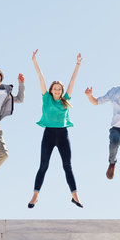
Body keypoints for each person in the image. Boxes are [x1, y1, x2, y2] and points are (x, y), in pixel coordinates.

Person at [28, 49, 83, 209]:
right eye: (55, 89)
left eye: (60, 89)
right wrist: (34, 61)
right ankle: (35, 195)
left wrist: (77, 65)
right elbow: (41, 77)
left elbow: (73, 81)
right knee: (43, 165)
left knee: (67, 165)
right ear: (51, 91)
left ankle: (75, 196)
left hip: (63, 134)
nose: (57, 91)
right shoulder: (46, 99)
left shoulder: (65, 100)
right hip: (49, 134)